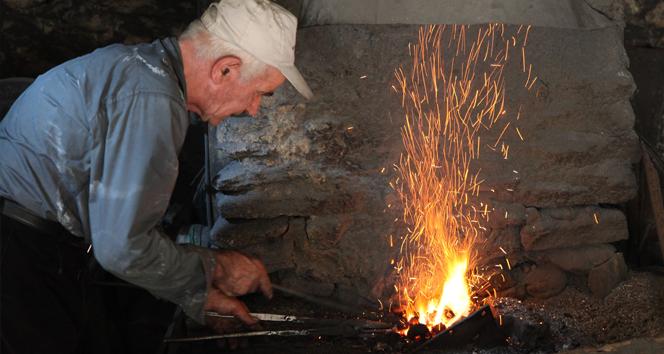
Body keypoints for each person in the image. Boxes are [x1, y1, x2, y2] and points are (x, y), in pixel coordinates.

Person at [0, 0, 313, 352]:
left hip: (36, 245)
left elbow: (121, 228)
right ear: (224, 69)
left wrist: (198, 291)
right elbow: (122, 247)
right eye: (259, 93)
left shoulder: (141, 68)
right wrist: (214, 269)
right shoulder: (152, 99)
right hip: (20, 253)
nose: (253, 108)